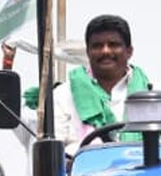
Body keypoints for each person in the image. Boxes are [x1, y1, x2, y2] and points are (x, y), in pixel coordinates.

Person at [53, 14, 154, 156]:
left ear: (129, 51)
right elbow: (53, 155)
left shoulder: (153, 95)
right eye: (97, 46)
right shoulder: (62, 96)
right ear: (88, 52)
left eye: (113, 45)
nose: (105, 51)